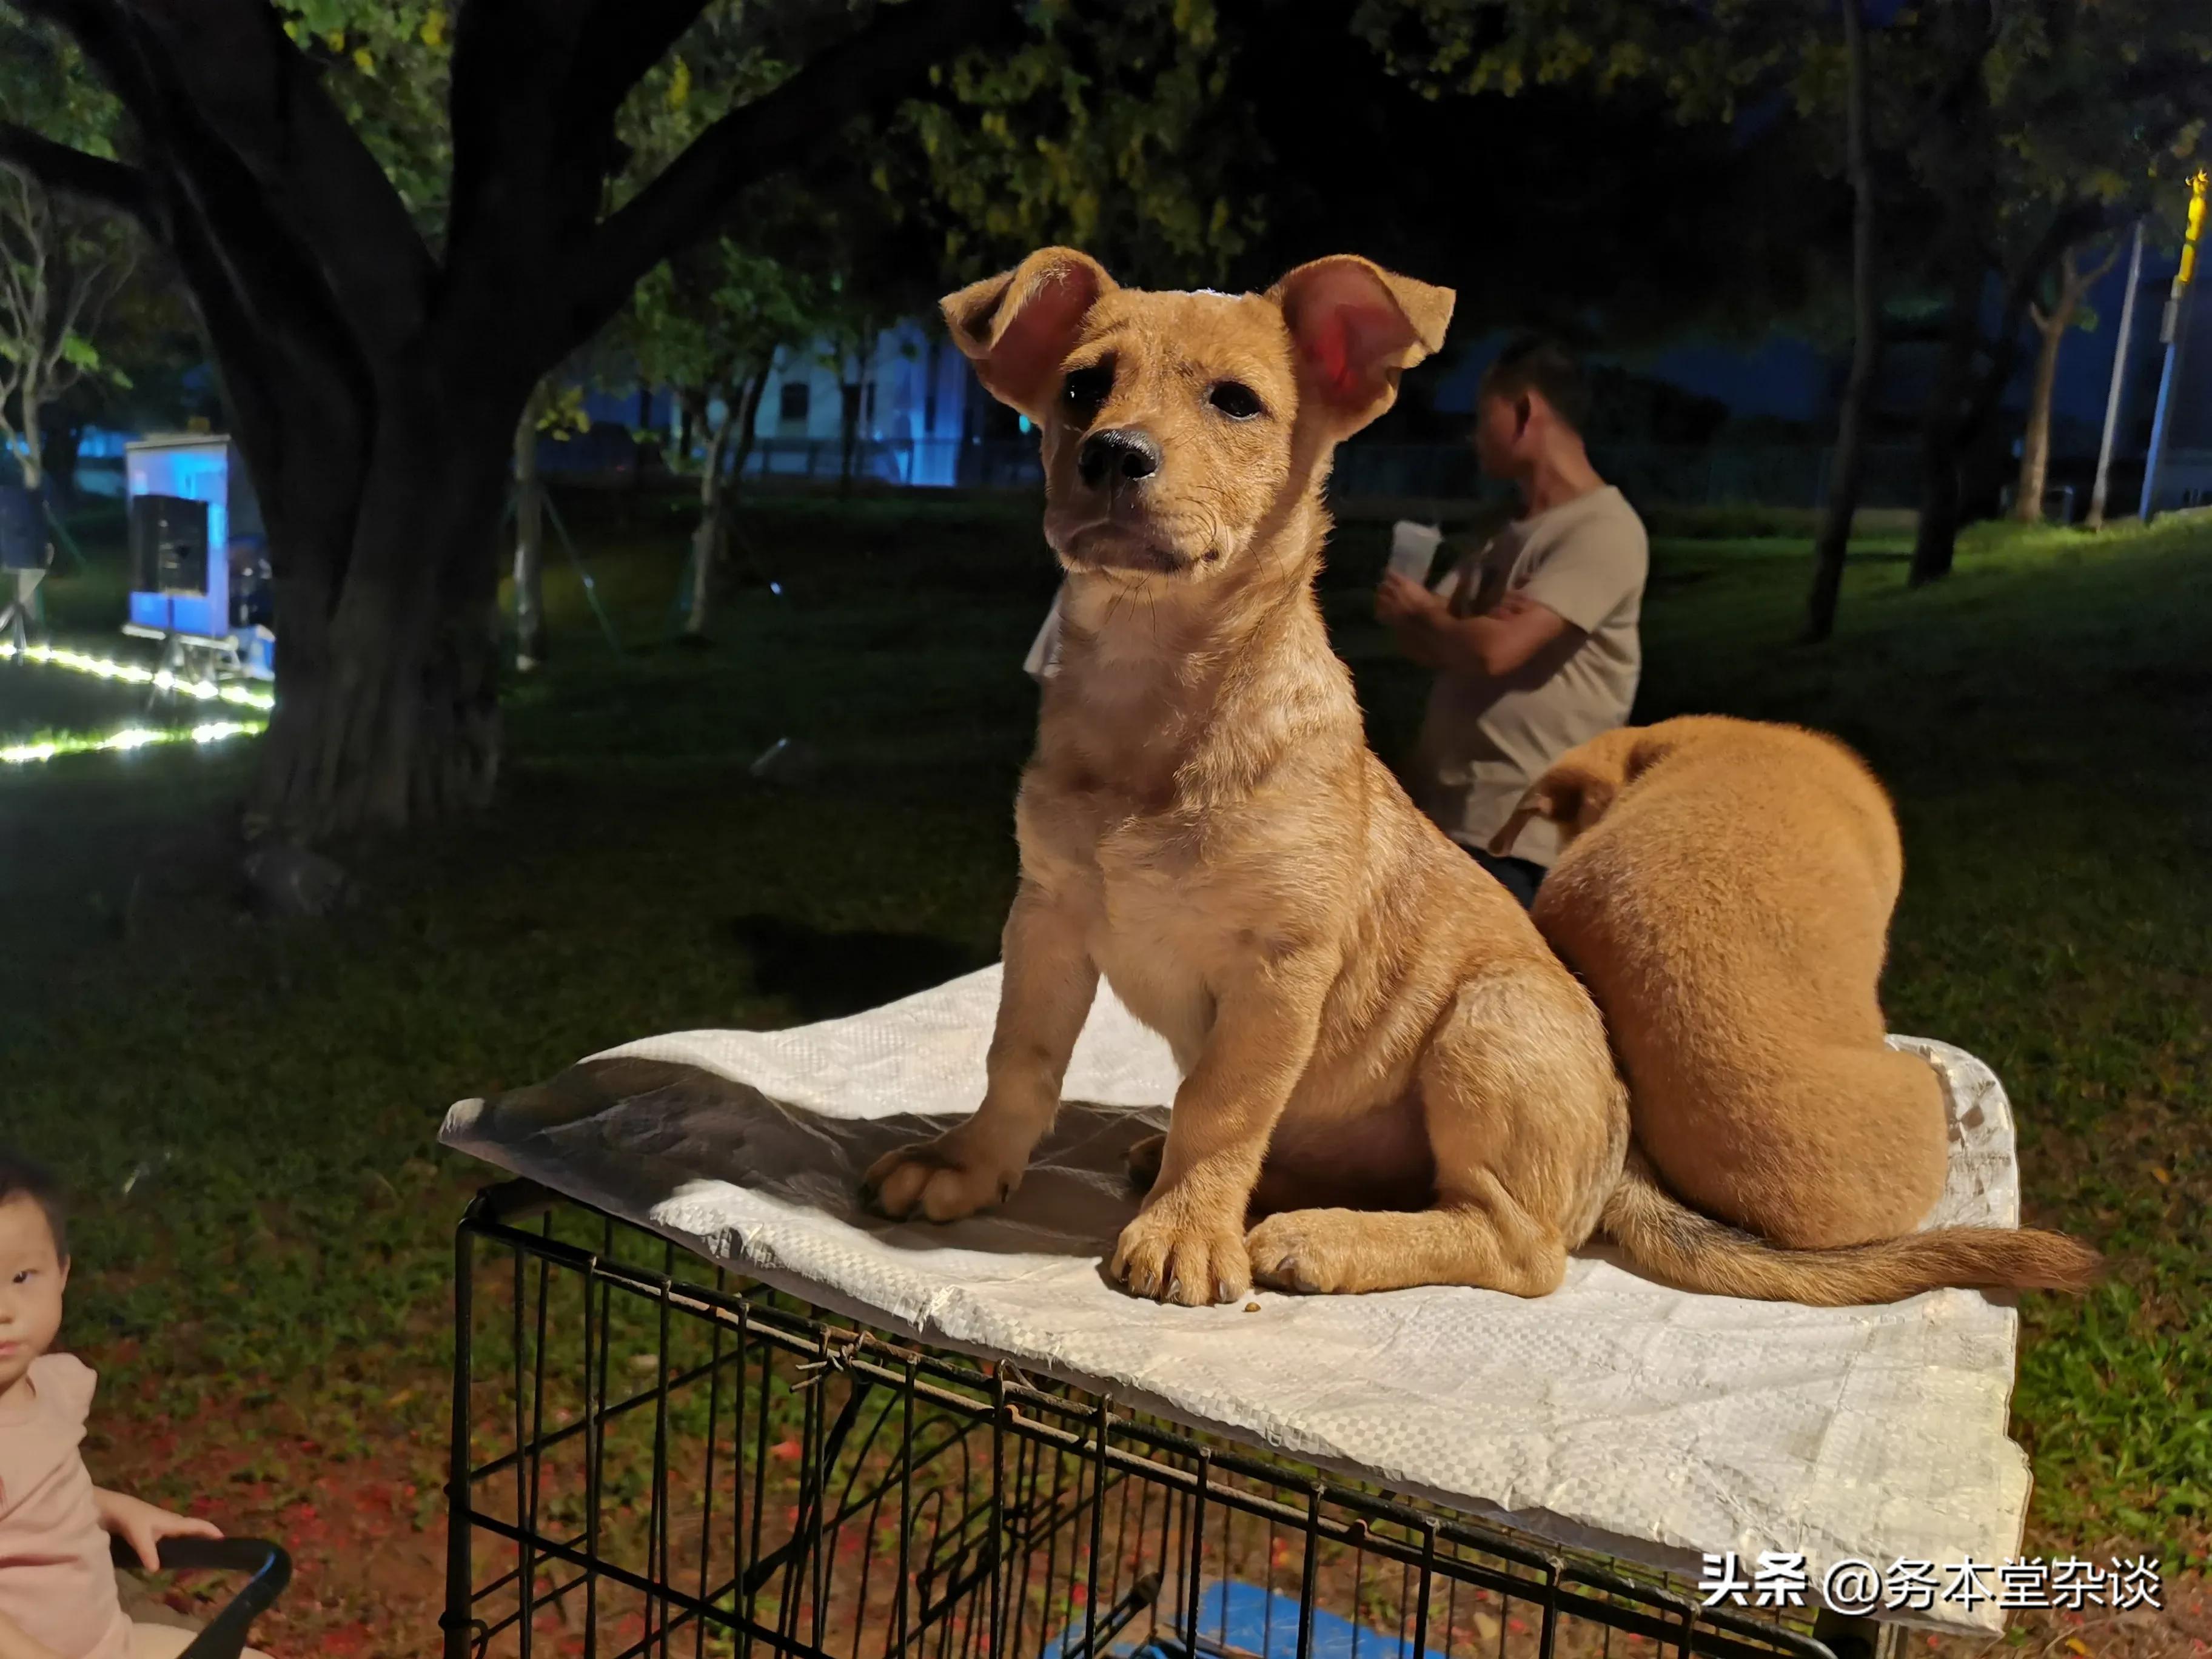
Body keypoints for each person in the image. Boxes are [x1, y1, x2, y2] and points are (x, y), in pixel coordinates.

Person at [1376, 334, 1649, 908]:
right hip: (1444, 820)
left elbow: (1493, 651)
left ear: (1525, 412)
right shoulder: (1504, 531)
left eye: (1484, 417)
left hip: (1517, 835)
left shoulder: (1602, 530)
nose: (1474, 436)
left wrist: (1429, 615)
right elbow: (1431, 641)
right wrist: (1431, 622)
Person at [0, 1153, 261, 1659]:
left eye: (21, 1277)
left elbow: (36, 1495)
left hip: (109, 1644)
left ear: (62, 1273)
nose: (3, 1310)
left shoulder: (48, 1387)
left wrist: (114, 1509)